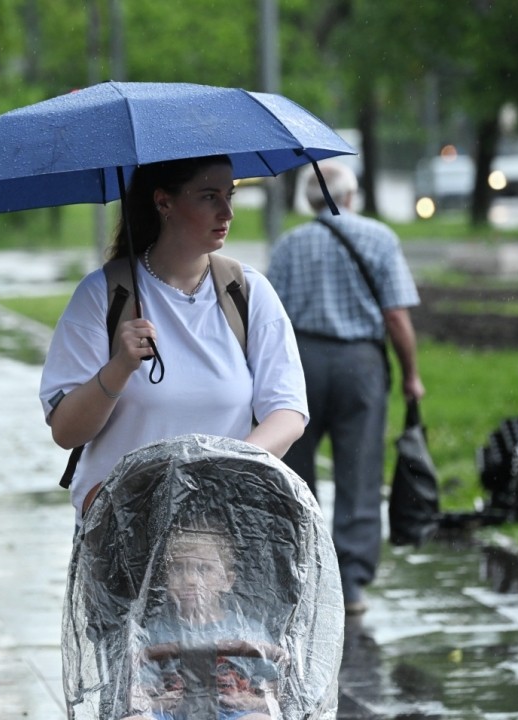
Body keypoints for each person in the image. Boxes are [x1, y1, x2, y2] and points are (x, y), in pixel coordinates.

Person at [39, 155, 308, 526]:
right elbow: (66, 432)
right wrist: (119, 368)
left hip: (219, 529)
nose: (228, 212)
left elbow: (288, 411)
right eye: (209, 196)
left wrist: (223, 473)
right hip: (122, 528)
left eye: (230, 194)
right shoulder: (104, 294)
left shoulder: (246, 292)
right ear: (164, 202)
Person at [266, 160, 425, 615]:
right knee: (359, 470)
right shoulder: (378, 238)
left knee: (295, 474)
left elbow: (270, 321)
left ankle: (299, 576)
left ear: (309, 200)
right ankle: (351, 585)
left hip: (302, 364)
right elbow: (396, 316)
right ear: (350, 195)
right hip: (361, 365)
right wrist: (411, 374)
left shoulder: (290, 245)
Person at [124, 520, 289, 720]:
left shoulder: (248, 631)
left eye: (203, 569)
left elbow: (275, 687)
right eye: (177, 569)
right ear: (166, 579)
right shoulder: (154, 632)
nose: (190, 579)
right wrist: (162, 702)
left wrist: (251, 702)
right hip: (172, 714)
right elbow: (139, 693)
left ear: (227, 581)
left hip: (233, 712)